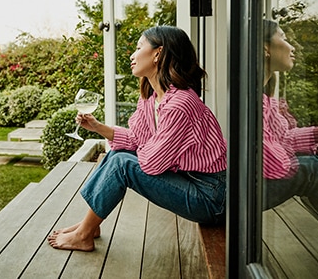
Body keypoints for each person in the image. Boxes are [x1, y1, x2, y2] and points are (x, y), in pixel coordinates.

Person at [47, 26, 227, 251]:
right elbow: (136, 139)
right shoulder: (151, 98)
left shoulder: (181, 103)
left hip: (211, 197)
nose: (132, 55)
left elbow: (152, 163)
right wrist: (98, 127)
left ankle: (84, 233)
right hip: (188, 181)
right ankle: (90, 226)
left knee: (122, 162)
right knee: (118, 154)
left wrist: (143, 147)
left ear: (157, 54)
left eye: (139, 47)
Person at [262, 19, 318, 260]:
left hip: (251, 178)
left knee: (309, 161)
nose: (292, 46)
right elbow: (278, 150)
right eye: (283, 37)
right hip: (242, 188)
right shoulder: (252, 98)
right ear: (265, 48)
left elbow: (283, 139)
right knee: (311, 169)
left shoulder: (262, 93)